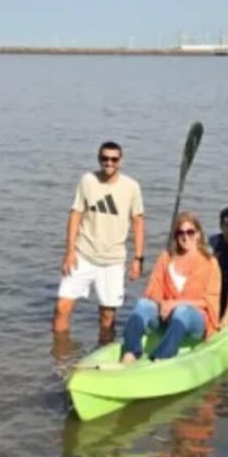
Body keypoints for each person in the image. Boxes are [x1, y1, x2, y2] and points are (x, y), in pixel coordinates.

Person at [54, 141, 145, 343]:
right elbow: (75, 214)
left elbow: (138, 221)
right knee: (62, 308)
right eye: (105, 158)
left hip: (113, 259)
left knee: (107, 316)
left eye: (114, 159)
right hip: (83, 254)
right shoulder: (88, 180)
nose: (109, 163)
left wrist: (138, 259)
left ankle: (104, 352)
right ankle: (60, 355)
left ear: (120, 161)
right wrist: (69, 252)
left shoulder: (131, 187)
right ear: (99, 159)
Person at [115, 211, 221, 366]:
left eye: (190, 232)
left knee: (182, 311)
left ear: (198, 234)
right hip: (166, 315)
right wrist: (162, 303)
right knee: (142, 304)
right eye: (180, 233)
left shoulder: (210, 263)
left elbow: (209, 300)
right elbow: (152, 290)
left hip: (195, 319)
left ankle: (162, 357)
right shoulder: (166, 258)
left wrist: (175, 303)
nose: (185, 237)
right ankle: (130, 353)